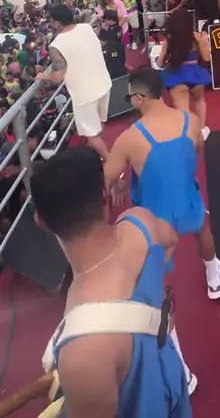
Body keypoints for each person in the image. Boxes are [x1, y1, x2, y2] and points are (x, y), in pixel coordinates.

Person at [31, 148, 194, 417]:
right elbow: (171, 240)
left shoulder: (80, 355)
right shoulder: (140, 223)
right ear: (105, 195)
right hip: (170, 382)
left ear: (40, 220)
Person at [104, 67, 220, 300]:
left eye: (129, 97)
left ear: (139, 98)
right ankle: (213, 274)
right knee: (203, 230)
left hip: (154, 218)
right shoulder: (191, 121)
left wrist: (122, 183)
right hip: (188, 202)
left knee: (153, 262)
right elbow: (195, 153)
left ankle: (158, 305)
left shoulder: (129, 138)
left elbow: (109, 177)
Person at [37, 4, 112, 162]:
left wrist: (43, 76)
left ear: (57, 22)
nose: (49, 24)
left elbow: (58, 77)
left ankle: (111, 163)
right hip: (103, 83)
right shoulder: (86, 28)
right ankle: (97, 153)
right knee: (99, 123)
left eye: (50, 20)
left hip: (84, 95)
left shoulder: (56, 45)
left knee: (91, 135)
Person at [159, 8, 212, 138]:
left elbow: (160, 63)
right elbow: (207, 58)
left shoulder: (169, 41)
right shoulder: (196, 38)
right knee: (199, 101)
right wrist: (203, 42)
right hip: (196, 75)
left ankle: (187, 137)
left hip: (177, 77)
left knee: (183, 113)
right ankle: (201, 131)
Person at [99, 9, 127, 80]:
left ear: (110, 20)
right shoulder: (107, 27)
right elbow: (101, 36)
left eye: (105, 20)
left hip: (117, 49)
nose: (104, 21)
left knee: (118, 66)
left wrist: (105, 30)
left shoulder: (118, 28)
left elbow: (115, 38)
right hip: (109, 50)